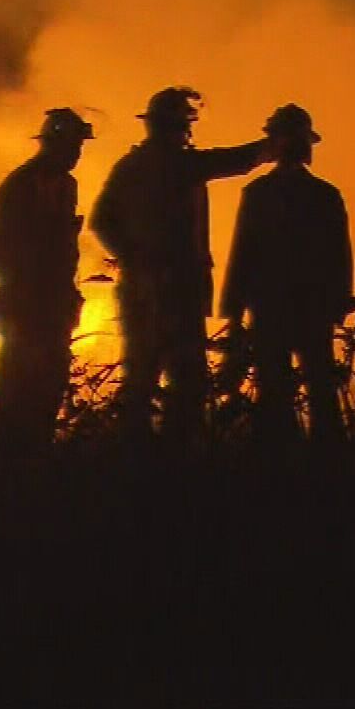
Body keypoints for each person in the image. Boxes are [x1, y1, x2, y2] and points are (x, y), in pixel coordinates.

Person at [91, 87, 267, 442]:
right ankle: (178, 462)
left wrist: (134, 259)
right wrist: (270, 147)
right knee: (187, 380)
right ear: (178, 127)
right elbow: (227, 161)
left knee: (140, 378)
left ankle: (132, 456)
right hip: (176, 293)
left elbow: (100, 220)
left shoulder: (130, 166)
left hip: (141, 291)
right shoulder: (179, 165)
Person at [219, 104, 354, 444]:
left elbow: (242, 256)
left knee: (286, 393)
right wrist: (338, 304)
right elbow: (244, 254)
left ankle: (287, 462)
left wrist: (234, 314)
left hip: (282, 308)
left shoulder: (262, 194)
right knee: (312, 393)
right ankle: (315, 463)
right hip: (297, 308)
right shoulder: (321, 195)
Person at [0, 107, 92, 449]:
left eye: (79, 147)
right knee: (16, 390)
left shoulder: (66, 186)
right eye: (71, 146)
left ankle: (33, 459)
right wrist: (25, 288)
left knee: (49, 388)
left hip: (53, 308)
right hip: (24, 308)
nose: (76, 154)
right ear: (51, 145)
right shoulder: (20, 186)